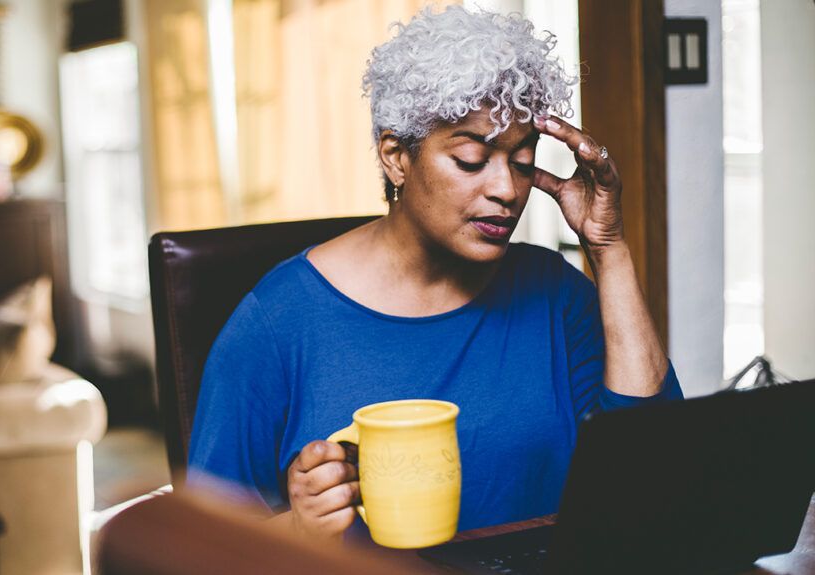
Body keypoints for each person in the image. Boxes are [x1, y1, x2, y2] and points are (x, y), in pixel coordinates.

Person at [187, 5, 683, 541]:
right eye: (472, 159)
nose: (507, 190)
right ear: (397, 157)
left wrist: (608, 248)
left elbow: (654, 468)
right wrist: (296, 530)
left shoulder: (555, 293)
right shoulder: (277, 323)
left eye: (521, 161)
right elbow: (193, 550)